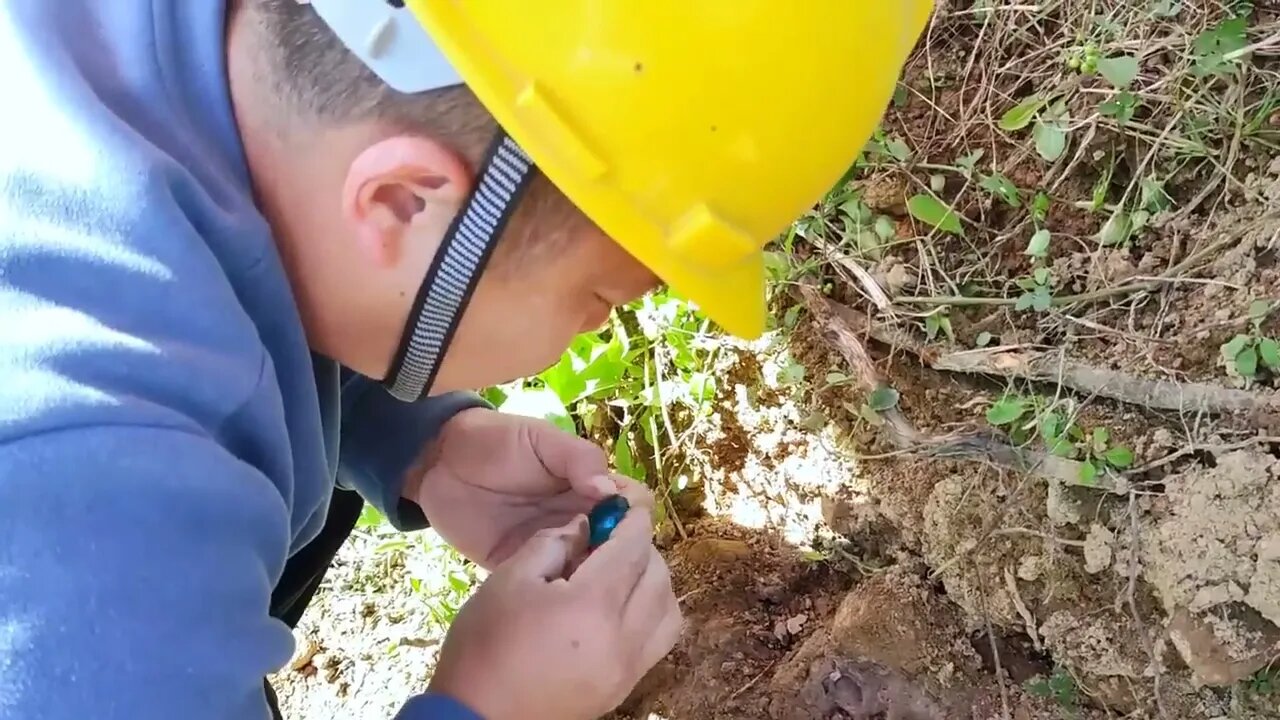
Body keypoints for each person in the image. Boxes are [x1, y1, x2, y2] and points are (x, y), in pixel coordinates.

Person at [0, 1, 930, 718]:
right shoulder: (96, 521)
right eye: (598, 299)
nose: (588, 335)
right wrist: (487, 705)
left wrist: (421, 441)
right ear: (406, 203)